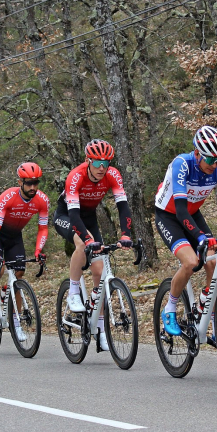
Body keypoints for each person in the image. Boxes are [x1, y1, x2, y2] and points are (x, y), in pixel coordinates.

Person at [53, 139, 134, 351]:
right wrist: (87, 239)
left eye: (106, 163)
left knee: (99, 270)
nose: (101, 168)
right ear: (88, 160)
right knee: (82, 242)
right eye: (97, 162)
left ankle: (100, 329)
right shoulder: (76, 175)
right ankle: (72, 293)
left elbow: (123, 206)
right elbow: (73, 213)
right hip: (68, 215)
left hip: (89, 217)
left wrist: (125, 234)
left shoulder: (113, 175)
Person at [154, 126, 217, 338]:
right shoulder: (182, 164)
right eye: (210, 159)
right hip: (169, 215)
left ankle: (211, 315)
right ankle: (169, 308)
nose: (214, 164)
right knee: (190, 262)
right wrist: (200, 237)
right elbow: (180, 211)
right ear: (197, 152)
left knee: (213, 263)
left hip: (193, 213)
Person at [0, 163, 50, 341]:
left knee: (18, 274)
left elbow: (43, 228)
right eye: (29, 183)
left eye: (36, 183)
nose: (33, 187)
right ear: (20, 181)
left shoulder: (42, 200)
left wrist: (38, 251)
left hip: (15, 238)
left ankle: (16, 323)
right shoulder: (8, 196)